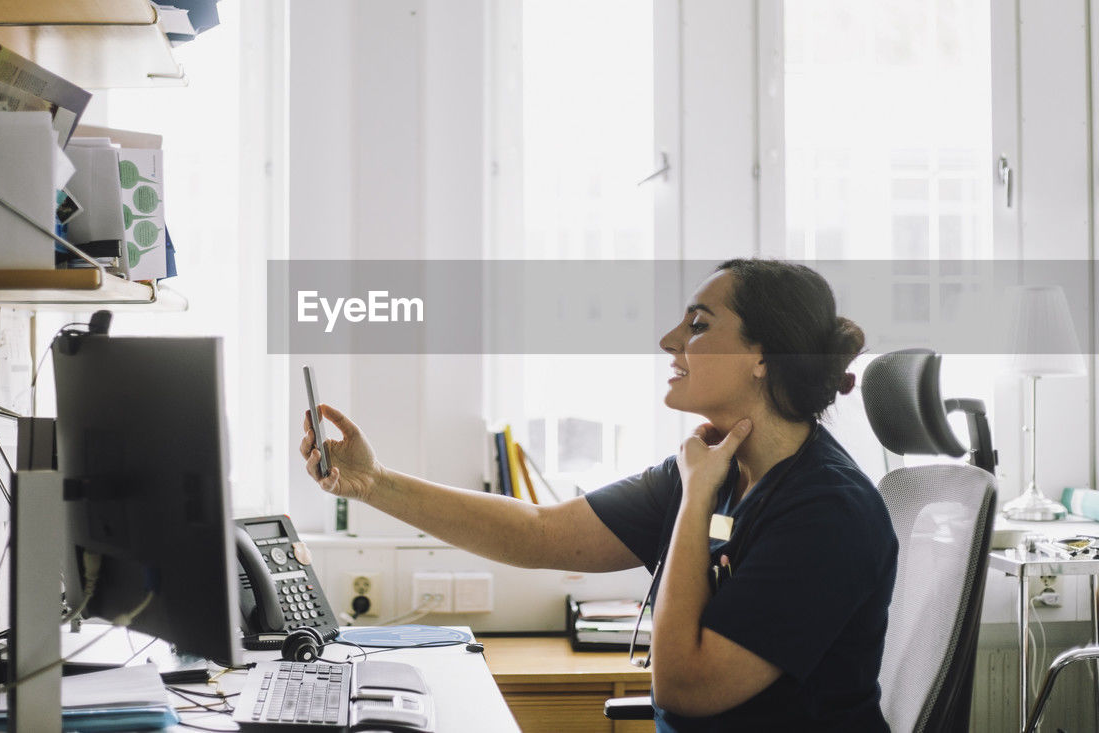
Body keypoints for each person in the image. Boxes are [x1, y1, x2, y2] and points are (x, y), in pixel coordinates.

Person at [298, 258, 898, 732]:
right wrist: (374, 484)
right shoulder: (711, 469)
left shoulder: (826, 512)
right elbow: (538, 533)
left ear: (762, 356)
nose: (669, 341)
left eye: (697, 325)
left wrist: (694, 502)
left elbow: (685, 690)